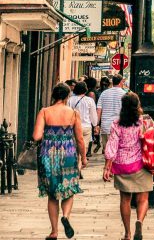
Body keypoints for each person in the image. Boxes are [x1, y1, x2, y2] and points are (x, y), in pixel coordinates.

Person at [33, 83, 87, 240]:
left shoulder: (44, 111)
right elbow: (80, 139)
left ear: (53, 96)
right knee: (69, 188)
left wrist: (50, 137)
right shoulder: (73, 113)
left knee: (52, 194)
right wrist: (83, 157)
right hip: (68, 154)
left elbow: (36, 136)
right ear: (66, 97)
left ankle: (54, 231)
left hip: (47, 155)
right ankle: (66, 216)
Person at [104, 92, 154, 240]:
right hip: (142, 165)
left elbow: (112, 147)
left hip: (122, 166)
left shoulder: (116, 124)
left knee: (125, 200)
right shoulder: (145, 122)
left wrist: (107, 167)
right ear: (137, 105)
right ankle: (139, 221)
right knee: (143, 199)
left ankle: (127, 233)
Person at [97, 75, 126, 160]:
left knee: (107, 151)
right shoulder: (124, 94)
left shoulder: (104, 93)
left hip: (106, 126)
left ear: (112, 82)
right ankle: (115, 170)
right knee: (118, 150)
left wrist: (96, 125)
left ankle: (108, 169)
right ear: (121, 82)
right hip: (119, 126)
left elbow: (99, 110)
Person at [69, 82, 99, 157]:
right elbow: (93, 115)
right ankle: (80, 160)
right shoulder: (90, 100)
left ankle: (77, 161)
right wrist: (95, 125)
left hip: (74, 127)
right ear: (85, 90)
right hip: (86, 127)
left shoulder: (70, 100)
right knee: (84, 147)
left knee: (74, 146)